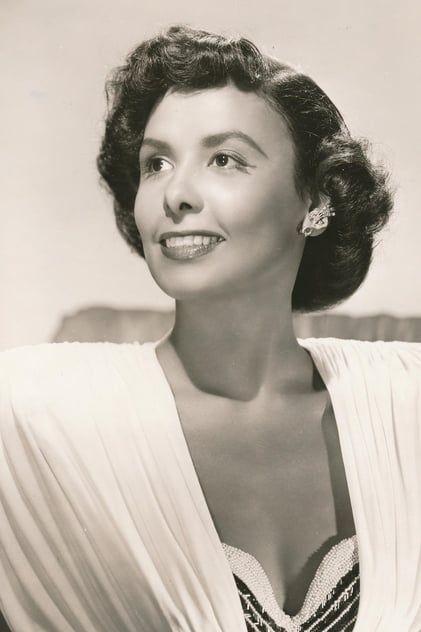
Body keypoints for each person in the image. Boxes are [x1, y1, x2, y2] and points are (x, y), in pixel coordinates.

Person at [1, 24, 420, 632]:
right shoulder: (34, 412)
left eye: (224, 159)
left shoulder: (405, 403)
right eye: (156, 163)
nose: (175, 194)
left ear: (316, 199)